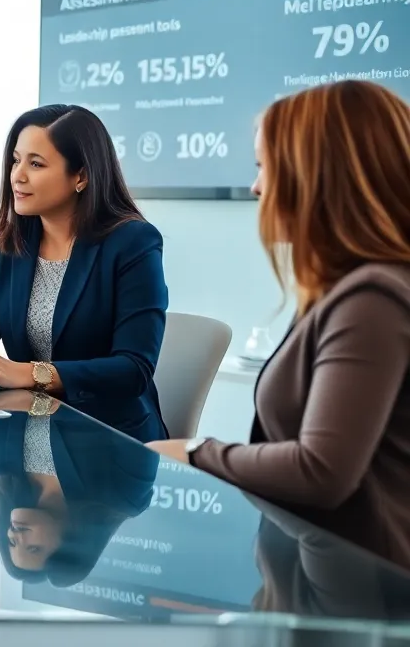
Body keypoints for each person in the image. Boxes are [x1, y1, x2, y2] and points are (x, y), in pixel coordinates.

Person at [150, 81, 410, 569]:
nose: (256, 187)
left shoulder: (371, 299)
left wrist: (197, 450)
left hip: (365, 600)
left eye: (265, 167)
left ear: (318, 174)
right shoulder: (345, 289)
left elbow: (321, 471)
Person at [0, 104, 169, 443]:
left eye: (35, 164)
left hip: (106, 444)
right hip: (23, 433)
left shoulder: (133, 243)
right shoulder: (3, 243)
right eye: (16, 160)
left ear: (80, 176)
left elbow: (132, 369)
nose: (17, 176)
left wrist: (24, 372)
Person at [0, 390, 157, 586]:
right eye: (33, 548)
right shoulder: (125, 495)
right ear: (70, 544)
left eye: (12, 543)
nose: (15, 535)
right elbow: (133, 408)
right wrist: (39, 400)